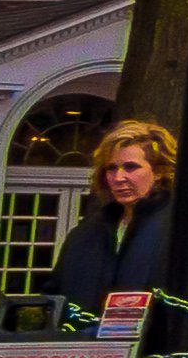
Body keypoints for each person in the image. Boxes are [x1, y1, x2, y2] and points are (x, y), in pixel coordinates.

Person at [50, 119, 179, 320]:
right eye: (111, 168)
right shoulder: (88, 230)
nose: (118, 178)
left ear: (160, 172)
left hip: (151, 347)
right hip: (86, 346)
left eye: (131, 167)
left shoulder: (180, 226)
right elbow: (56, 295)